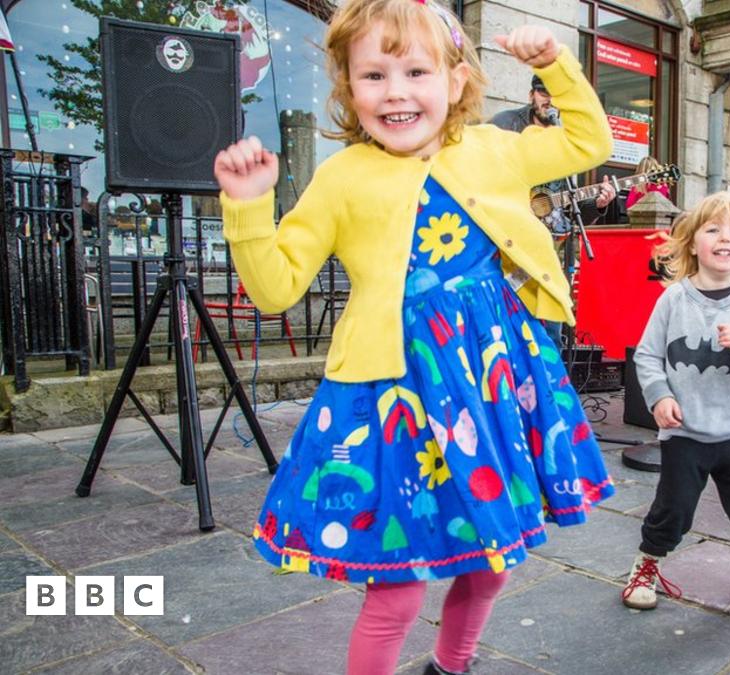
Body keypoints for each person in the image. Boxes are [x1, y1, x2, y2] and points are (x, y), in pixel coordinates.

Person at [212, 3, 615, 673]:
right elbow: (276, 289)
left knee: (491, 561)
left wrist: (555, 66)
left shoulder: (492, 149)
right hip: (392, 396)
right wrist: (249, 209)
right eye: (373, 75)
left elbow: (589, 142)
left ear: (456, 81)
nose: (395, 92)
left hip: (490, 383)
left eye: (416, 72)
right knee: (395, 587)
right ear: (349, 88)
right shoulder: (342, 176)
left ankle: (452, 664)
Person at [623, 191, 730, 610]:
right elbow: (648, 355)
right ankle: (648, 562)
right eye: (713, 229)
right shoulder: (674, 298)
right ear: (693, 243)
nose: (724, 237)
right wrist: (659, 397)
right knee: (672, 508)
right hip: (685, 433)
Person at [490, 74, 618, 229]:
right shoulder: (505, 123)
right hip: (507, 230)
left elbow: (568, 207)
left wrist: (597, 204)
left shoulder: (563, 138)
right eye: (544, 93)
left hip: (548, 238)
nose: (551, 100)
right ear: (531, 96)